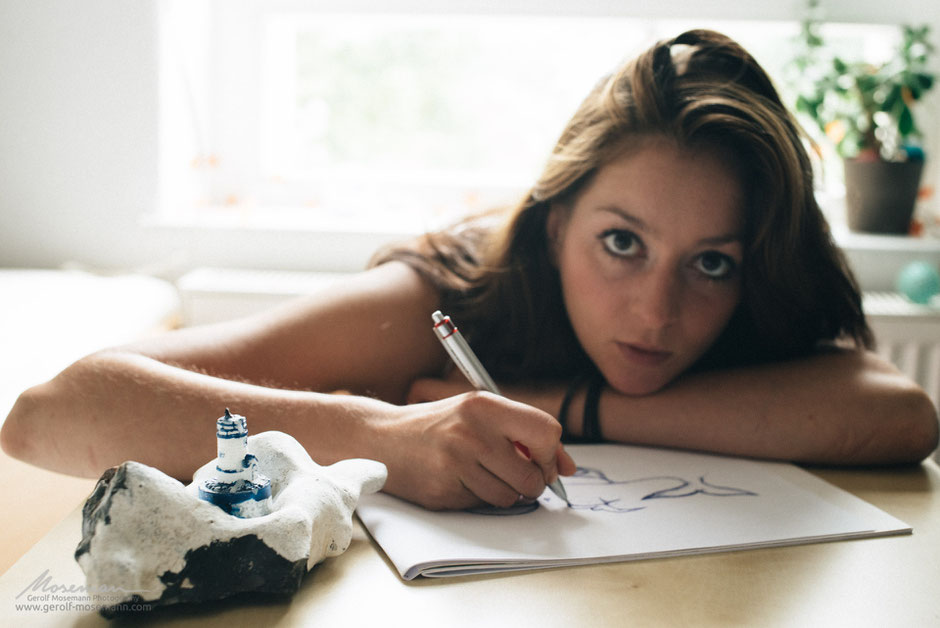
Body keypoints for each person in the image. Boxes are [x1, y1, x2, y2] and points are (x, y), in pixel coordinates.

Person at [2, 30, 937, 511]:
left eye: (712, 263)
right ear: (554, 215)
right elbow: (51, 413)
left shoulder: (753, 317)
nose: (658, 309)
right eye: (621, 242)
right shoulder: (448, 293)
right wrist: (385, 434)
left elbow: (901, 414)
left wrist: (570, 404)